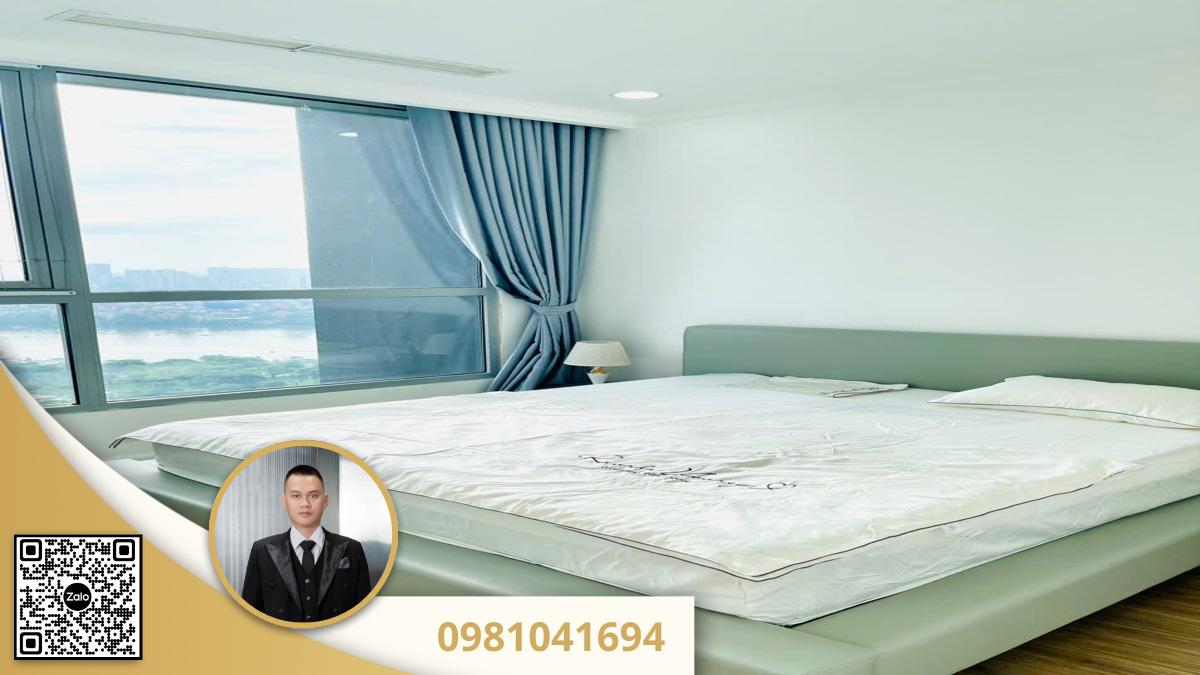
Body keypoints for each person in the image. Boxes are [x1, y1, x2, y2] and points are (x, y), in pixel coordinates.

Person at [240, 464, 371, 622]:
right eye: (296, 496)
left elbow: (364, 617)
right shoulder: (262, 550)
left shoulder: (352, 549)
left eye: (313, 495)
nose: (305, 504)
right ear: (284, 501)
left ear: (325, 501)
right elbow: (249, 617)